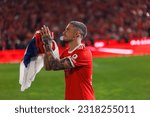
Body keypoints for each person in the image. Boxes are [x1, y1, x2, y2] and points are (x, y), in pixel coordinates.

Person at [41, 21, 95, 100]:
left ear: (77, 34)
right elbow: (48, 67)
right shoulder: (66, 52)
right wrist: (46, 44)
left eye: (67, 30)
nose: (63, 32)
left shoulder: (83, 52)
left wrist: (48, 43)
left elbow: (55, 66)